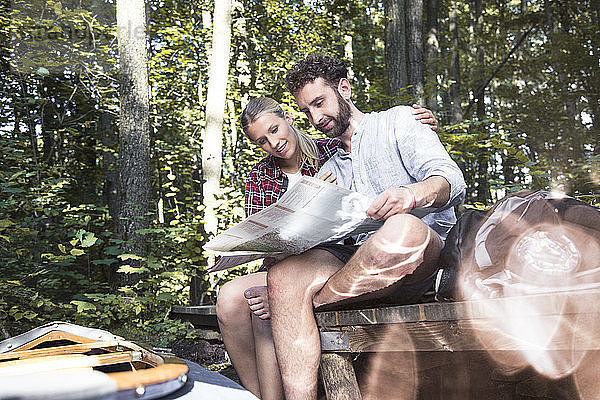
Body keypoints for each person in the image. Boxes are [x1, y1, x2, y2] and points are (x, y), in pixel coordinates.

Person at [265, 53, 466, 399]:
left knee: (402, 230)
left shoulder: (399, 121)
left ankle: (309, 303)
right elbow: (338, 233)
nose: (315, 118)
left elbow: (451, 180)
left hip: (421, 253)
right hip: (361, 259)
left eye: (319, 103)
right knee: (282, 278)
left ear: (343, 88)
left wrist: (411, 194)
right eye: (307, 111)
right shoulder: (332, 166)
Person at [215, 96, 439, 400]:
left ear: (288, 119)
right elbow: (266, 244)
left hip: (337, 255)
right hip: (287, 259)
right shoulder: (259, 176)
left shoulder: (330, 151)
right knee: (228, 297)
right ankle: (256, 395)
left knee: (264, 301)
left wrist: (421, 122)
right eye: (262, 141)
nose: (274, 143)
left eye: (275, 129)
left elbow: (366, 141)